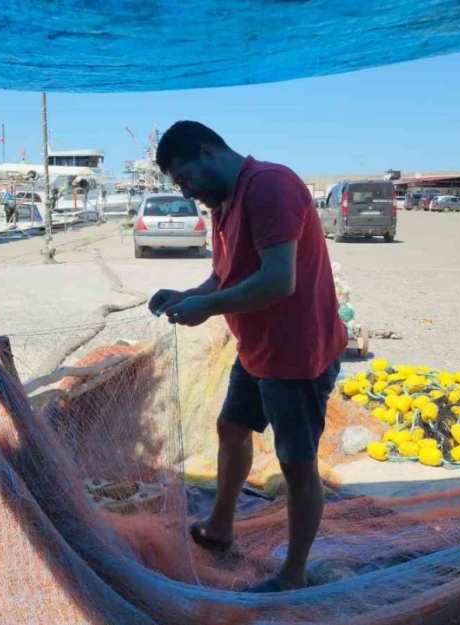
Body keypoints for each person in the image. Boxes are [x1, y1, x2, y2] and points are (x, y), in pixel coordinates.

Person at [148, 121, 347, 592]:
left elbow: (280, 280)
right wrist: (187, 296)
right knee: (231, 429)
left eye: (184, 178)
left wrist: (208, 307)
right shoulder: (224, 203)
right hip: (258, 348)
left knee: (296, 464)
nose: (187, 191)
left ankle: (293, 575)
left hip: (298, 355)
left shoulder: (270, 186)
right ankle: (220, 525)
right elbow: (224, 276)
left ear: (207, 152)